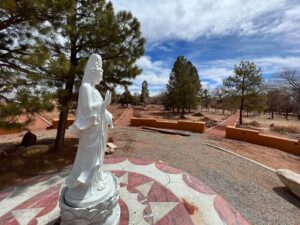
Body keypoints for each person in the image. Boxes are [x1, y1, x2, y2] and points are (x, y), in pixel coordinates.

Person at [66, 54, 113, 195]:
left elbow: (101, 109)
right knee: (90, 158)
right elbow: (88, 109)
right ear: (93, 72)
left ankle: (96, 179)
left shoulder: (96, 91)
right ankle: (87, 186)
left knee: (98, 157)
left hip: (98, 130)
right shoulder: (86, 88)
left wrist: (108, 114)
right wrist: (103, 104)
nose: (101, 77)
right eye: (100, 73)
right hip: (90, 131)